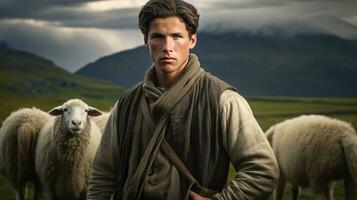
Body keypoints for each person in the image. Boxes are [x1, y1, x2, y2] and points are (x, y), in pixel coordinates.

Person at [87, 0, 279, 199]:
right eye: (158, 37)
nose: (167, 47)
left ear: (192, 40)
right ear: (146, 41)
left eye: (176, 36)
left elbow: (263, 171)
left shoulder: (223, 100)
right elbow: (102, 176)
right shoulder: (127, 103)